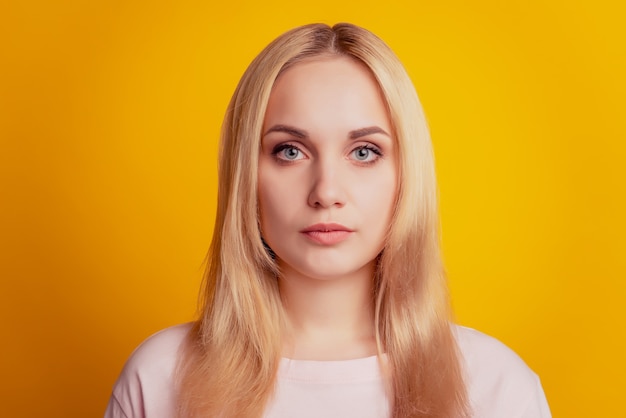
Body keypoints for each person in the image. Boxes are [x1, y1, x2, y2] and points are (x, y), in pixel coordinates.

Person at [104, 23, 551, 418]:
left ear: (406, 175)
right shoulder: (159, 379)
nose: (326, 193)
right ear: (246, 175)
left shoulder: (496, 388)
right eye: (290, 151)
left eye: (364, 152)